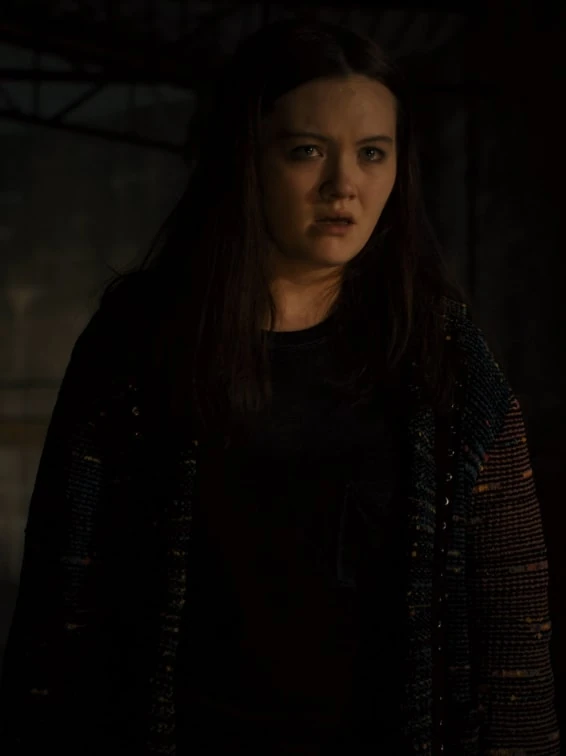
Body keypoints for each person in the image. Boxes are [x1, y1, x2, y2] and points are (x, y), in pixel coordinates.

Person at [0, 17, 560, 756]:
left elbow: (514, 618)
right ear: (247, 157)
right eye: (306, 151)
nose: (344, 186)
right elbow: (60, 599)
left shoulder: (443, 354)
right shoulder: (139, 342)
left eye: (372, 153)